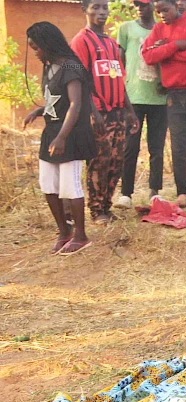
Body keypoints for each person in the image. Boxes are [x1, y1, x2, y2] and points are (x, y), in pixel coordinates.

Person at [24, 22, 96, 255]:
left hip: (70, 134)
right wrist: (40, 110)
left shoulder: (71, 67)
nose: (36, 53)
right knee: (48, 185)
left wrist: (63, 137)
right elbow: (57, 99)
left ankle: (81, 236)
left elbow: (75, 104)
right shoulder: (49, 67)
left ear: (48, 44)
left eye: (37, 48)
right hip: (52, 132)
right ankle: (64, 231)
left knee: (69, 186)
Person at [71, 0, 139, 224]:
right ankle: (96, 209)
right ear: (85, 10)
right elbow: (80, 81)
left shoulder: (111, 43)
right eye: (96, 7)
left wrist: (129, 111)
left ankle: (107, 206)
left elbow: (118, 80)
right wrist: (93, 113)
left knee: (116, 161)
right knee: (99, 162)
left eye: (104, 8)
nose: (101, 13)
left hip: (118, 112)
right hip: (98, 113)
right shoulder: (81, 41)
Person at [143, 0, 186, 208]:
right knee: (177, 141)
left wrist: (165, 54)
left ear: (176, 6)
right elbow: (147, 56)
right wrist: (174, 45)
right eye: (158, 11)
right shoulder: (158, 29)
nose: (162, 14)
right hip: (173, 92)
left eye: (166, 9)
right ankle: (183, 192)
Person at [115, 0, 168, 208]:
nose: (139, 8)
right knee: (131, 146)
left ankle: (154, 191)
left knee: (157, 147)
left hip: (159, 98)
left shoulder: (163, 29)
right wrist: (121, 92)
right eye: (136, 4)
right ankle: (126, 193)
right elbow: (120, 62)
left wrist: (167, 83)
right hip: (133, 99)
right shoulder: (126, 28)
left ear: (153, 6)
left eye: (144, 4)